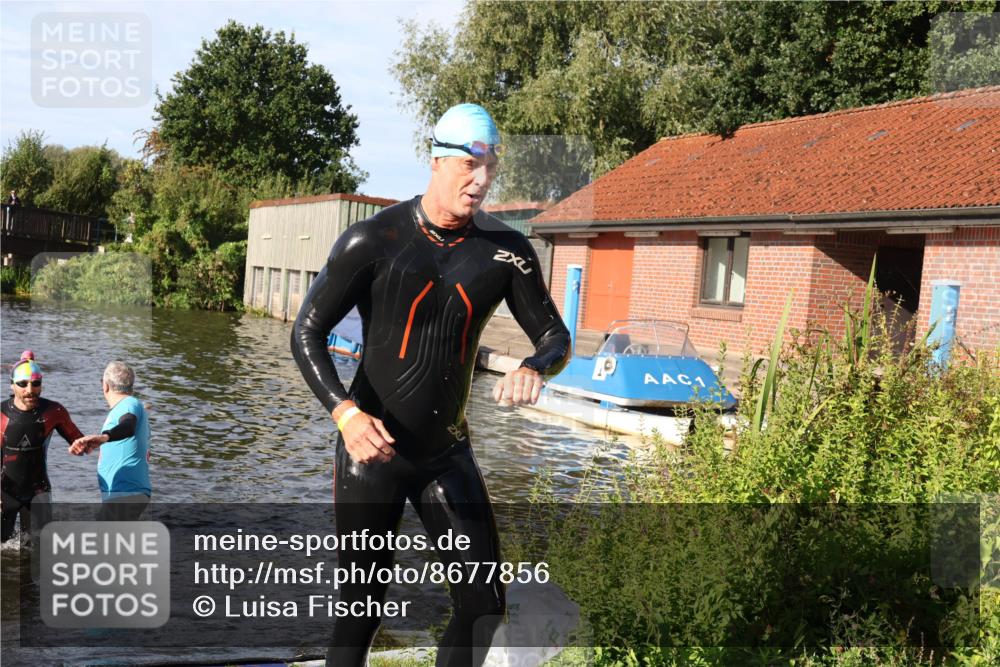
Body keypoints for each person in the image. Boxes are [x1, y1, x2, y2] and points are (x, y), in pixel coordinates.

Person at [291, 103, 571, 667]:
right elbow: (307, 333)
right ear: (437, 160)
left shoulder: (507, 253)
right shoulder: (373, 240)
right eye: (471, 165)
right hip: (372, 452)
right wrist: (344, 413)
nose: (482, 180)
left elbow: (555, 336)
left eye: (491, 166)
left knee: (484, 604)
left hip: (447, 453)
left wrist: (533, 367)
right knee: (361, 609)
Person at [1, 350, 84, 543]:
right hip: (4, 492)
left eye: (36, 383)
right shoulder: (1, 415)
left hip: (38, 491)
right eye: (23, 384)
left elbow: (79, 440)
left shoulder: (53, 411)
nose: (30, 389)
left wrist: (87, 445)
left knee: (39, 550)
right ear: (12, 385)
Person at [68, 360, 151, 519]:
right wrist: (93, 444)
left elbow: (127, 426)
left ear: (105, 385)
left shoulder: (129, 404)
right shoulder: (129, 406)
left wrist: (104, 437)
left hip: (126, 493)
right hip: (124, 494)